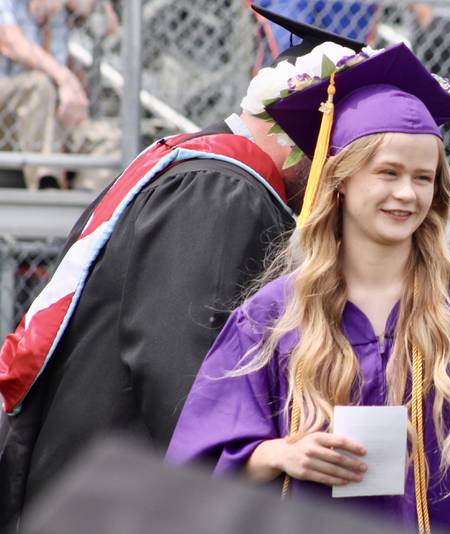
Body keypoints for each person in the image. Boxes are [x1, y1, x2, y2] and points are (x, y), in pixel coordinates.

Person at [166, 42, 450, 534]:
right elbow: (197, 459)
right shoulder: (273, 316)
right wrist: (276, 453)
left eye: (423, 178)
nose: (407, 194)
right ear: (339, 179)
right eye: (387, 173)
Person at [0, 6, 364, 530]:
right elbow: (180, 363)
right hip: (116, 495)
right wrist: (235, 469)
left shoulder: (201, 166)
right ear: (312, 129)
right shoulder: (221, 189)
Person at [0, 0, 120, 190]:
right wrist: (65, 80)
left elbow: (110, 25)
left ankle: (88, 208)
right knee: (39, 86)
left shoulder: (61, 7)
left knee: (110, 138)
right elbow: (10, 42)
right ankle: (47, 186)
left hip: (54, 114)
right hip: (7, 113)